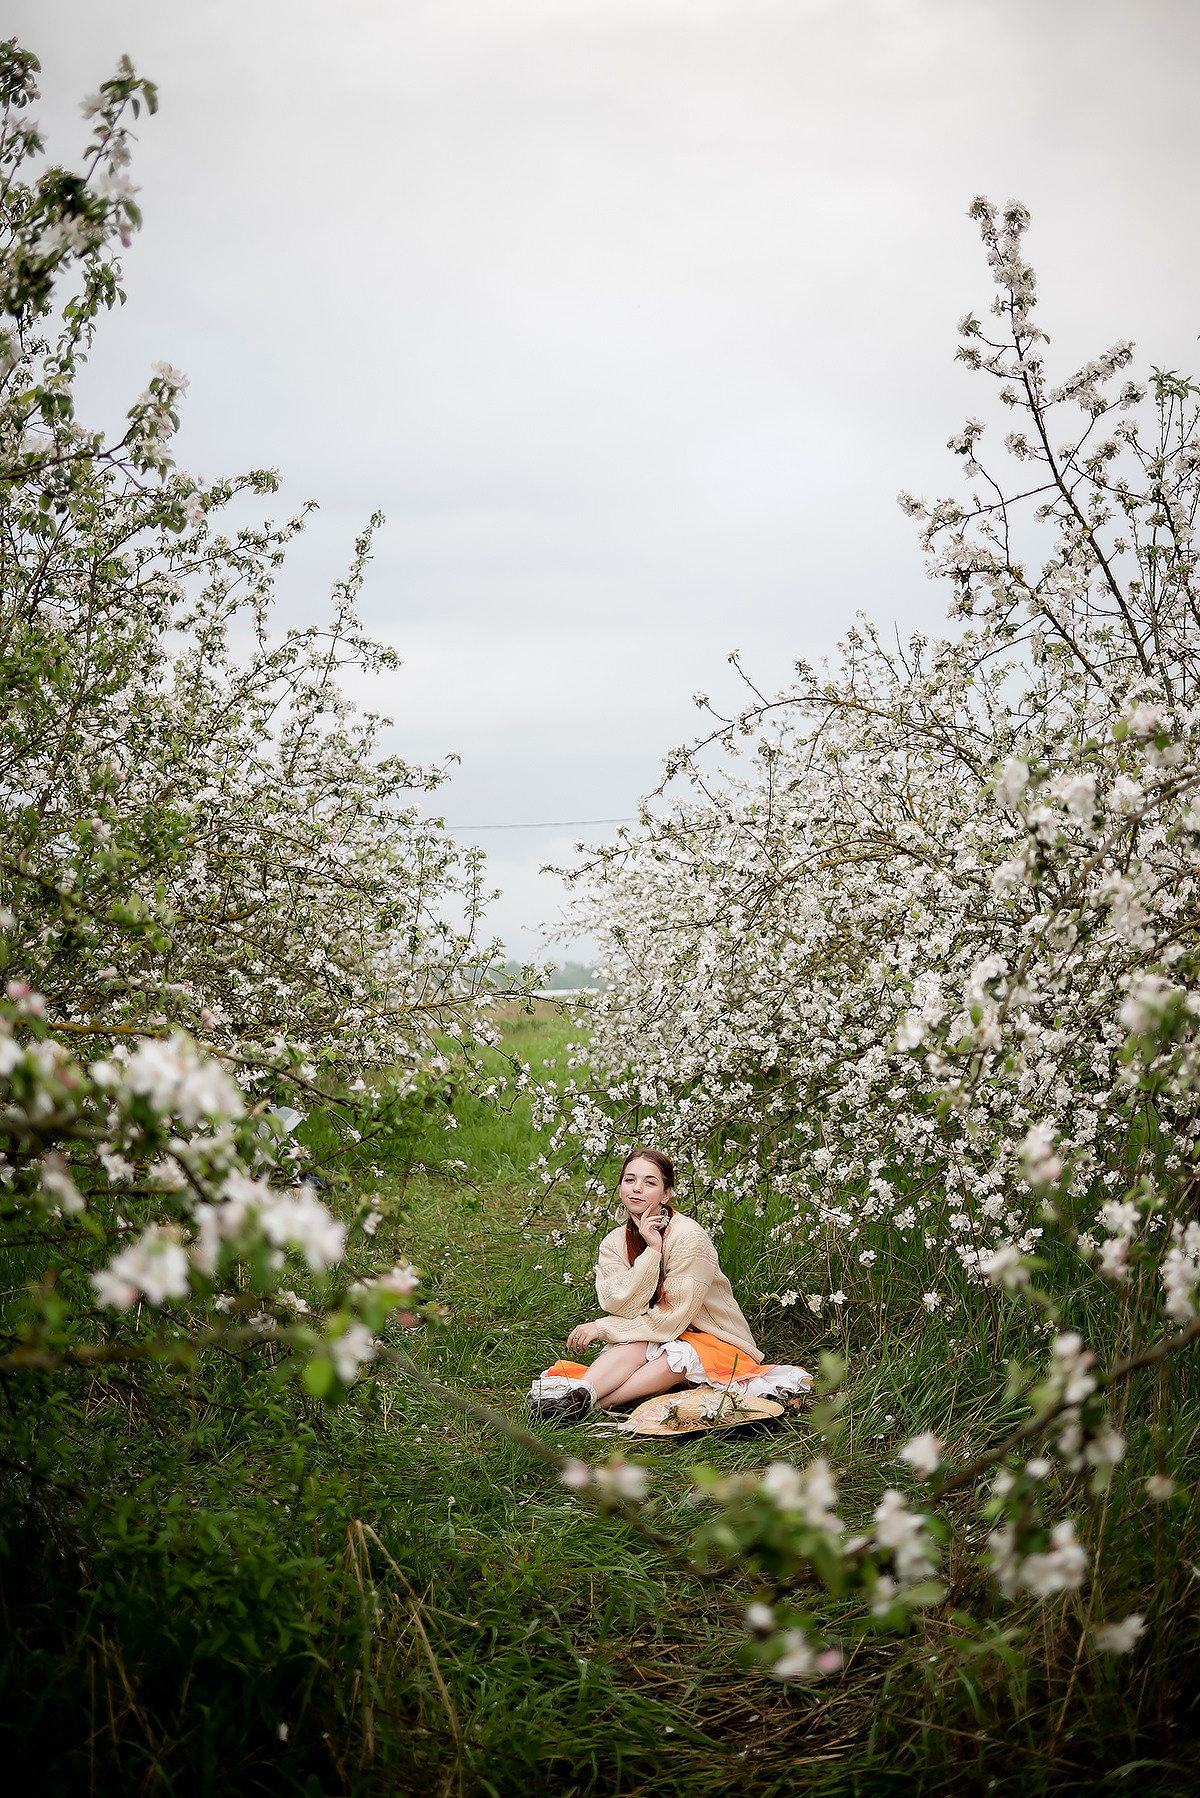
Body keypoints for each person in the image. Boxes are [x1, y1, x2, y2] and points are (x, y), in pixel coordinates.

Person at [528, 1146, 811, 1424]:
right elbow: (617, 1303)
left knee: (674, 1356)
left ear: (666, 1194)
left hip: (710, 1337)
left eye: (649, 1182)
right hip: (651, 1332)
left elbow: (673, 1319)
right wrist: (651, 1252)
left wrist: (601, 1327)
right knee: (633, 1347)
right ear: (620, 1187)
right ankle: (578, 1396)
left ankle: (589, 1405)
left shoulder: (689, 1238)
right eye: (630, 1180)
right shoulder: (614, 1242)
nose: (637, 1189)